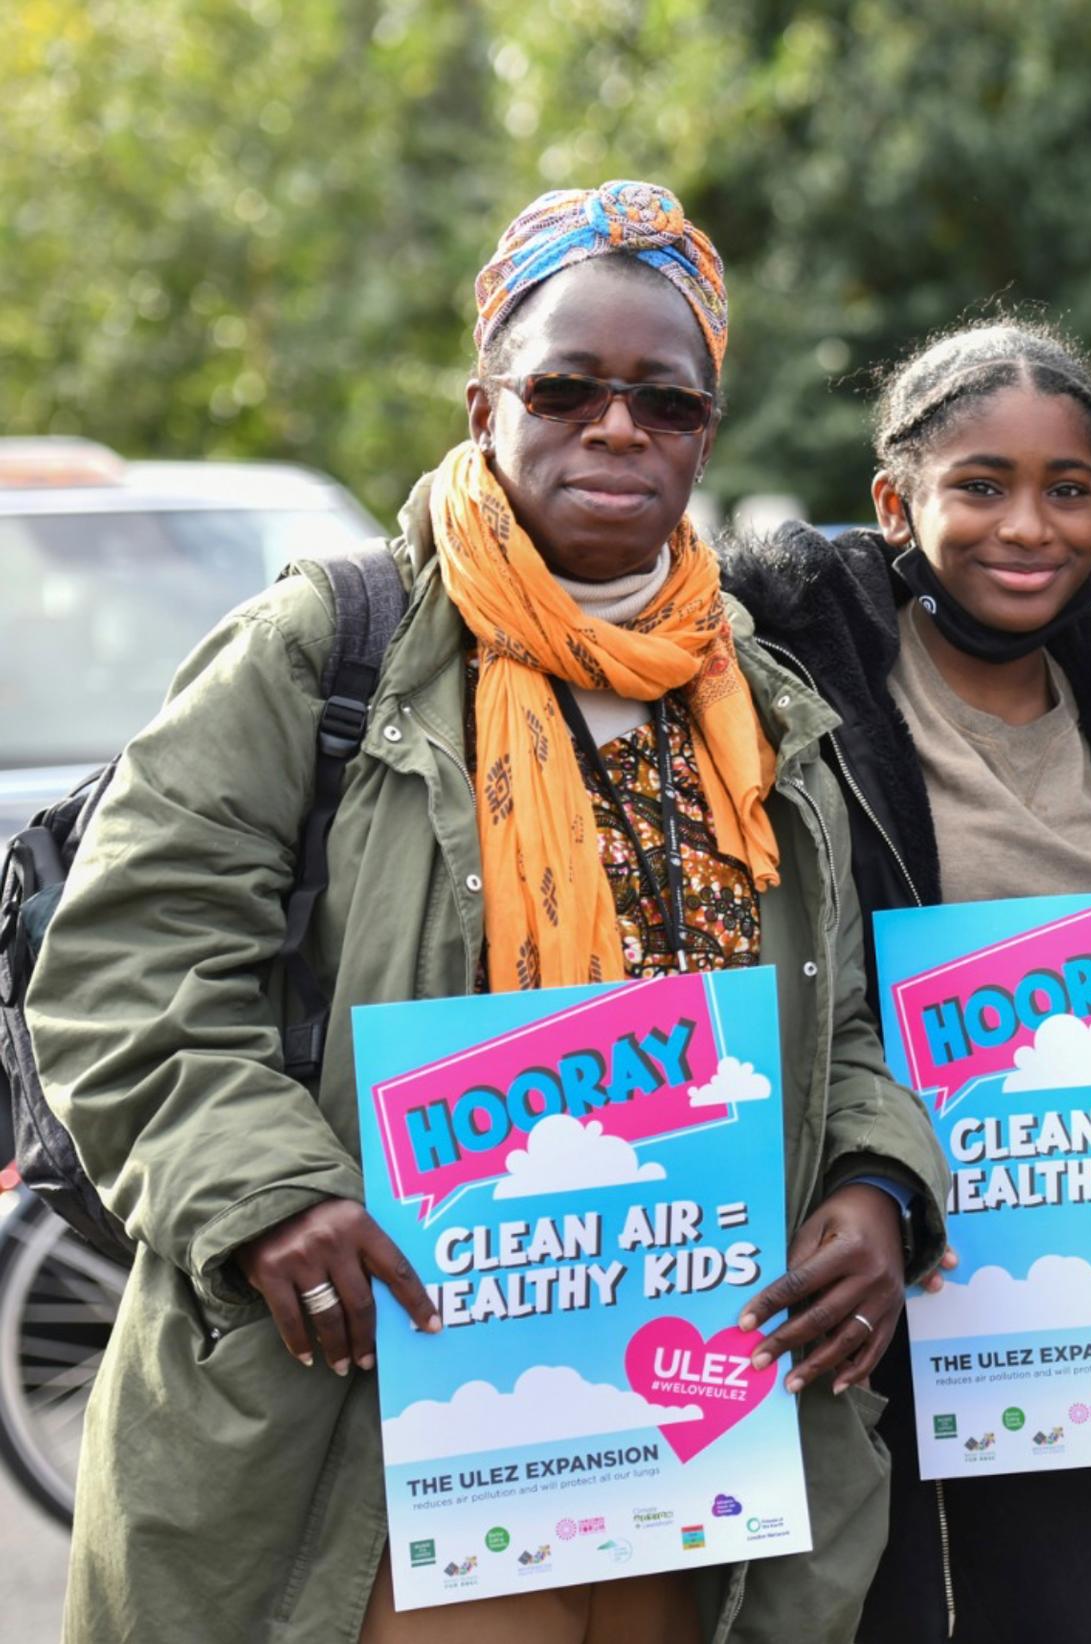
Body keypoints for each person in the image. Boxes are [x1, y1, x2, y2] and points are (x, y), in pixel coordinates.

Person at [26, 181, 949, 1644]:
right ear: (484, 406)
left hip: (684, 1443)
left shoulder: (763, 707)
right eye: (566, 387)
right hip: (371, 1431)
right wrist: (270, 1195)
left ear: (707, 430)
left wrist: (876, 1188)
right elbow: (125, 970)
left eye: (666, 400)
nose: (617, 429)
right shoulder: (328, 651)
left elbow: (831, 1023)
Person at [720, 320, 1091, 1643]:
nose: (1026, 526)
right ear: (894, 501)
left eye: (1067, 488)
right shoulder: (790, 684)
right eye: (979, 484)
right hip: (894, 1304)